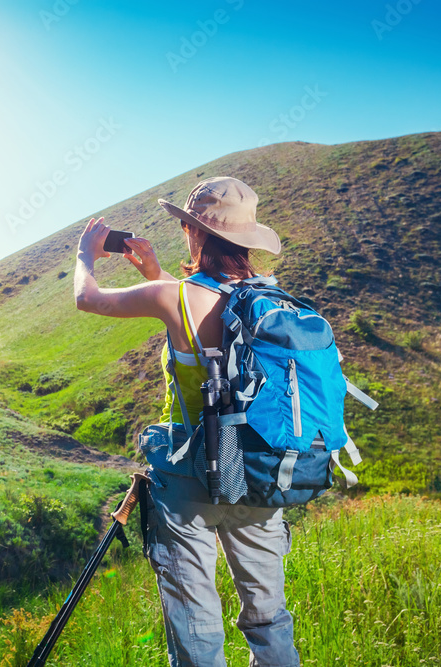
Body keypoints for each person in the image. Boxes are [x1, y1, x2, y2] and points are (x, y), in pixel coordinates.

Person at [73, 176, 300, 667]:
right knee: (269, 618)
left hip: (191, 475)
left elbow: (87, 298)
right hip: (258, 470)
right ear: (245, 240)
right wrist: (153, 270)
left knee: (197, 629)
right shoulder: (272, 299)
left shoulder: (172, 298)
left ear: (195, 232)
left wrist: (85, 254)